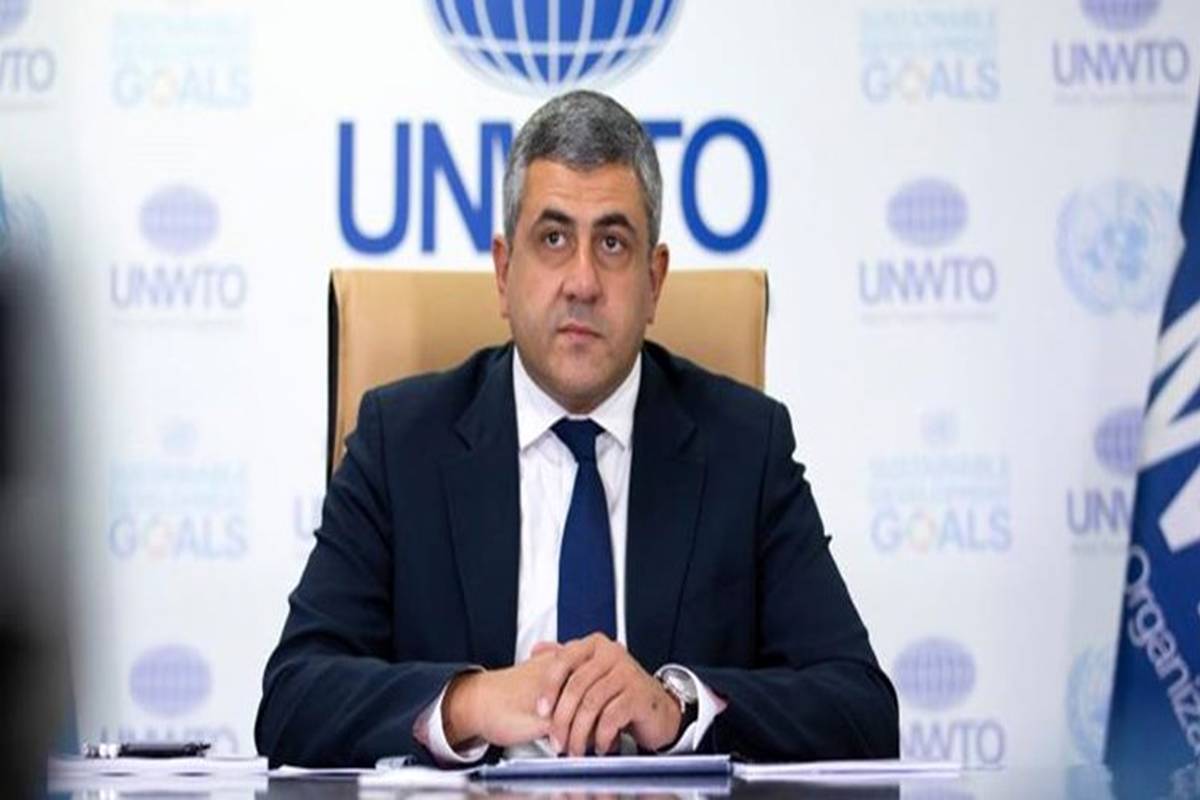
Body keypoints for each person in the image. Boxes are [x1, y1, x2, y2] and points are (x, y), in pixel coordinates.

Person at [255, 90, 898, 767]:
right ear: (504, 271)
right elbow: (294, 699)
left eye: (612, 243)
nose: (582, 282)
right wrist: (470, 703)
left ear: (655, 281)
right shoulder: (401, 442)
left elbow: (861, 712)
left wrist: (677, 706)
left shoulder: (745, 447)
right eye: (554, 239)